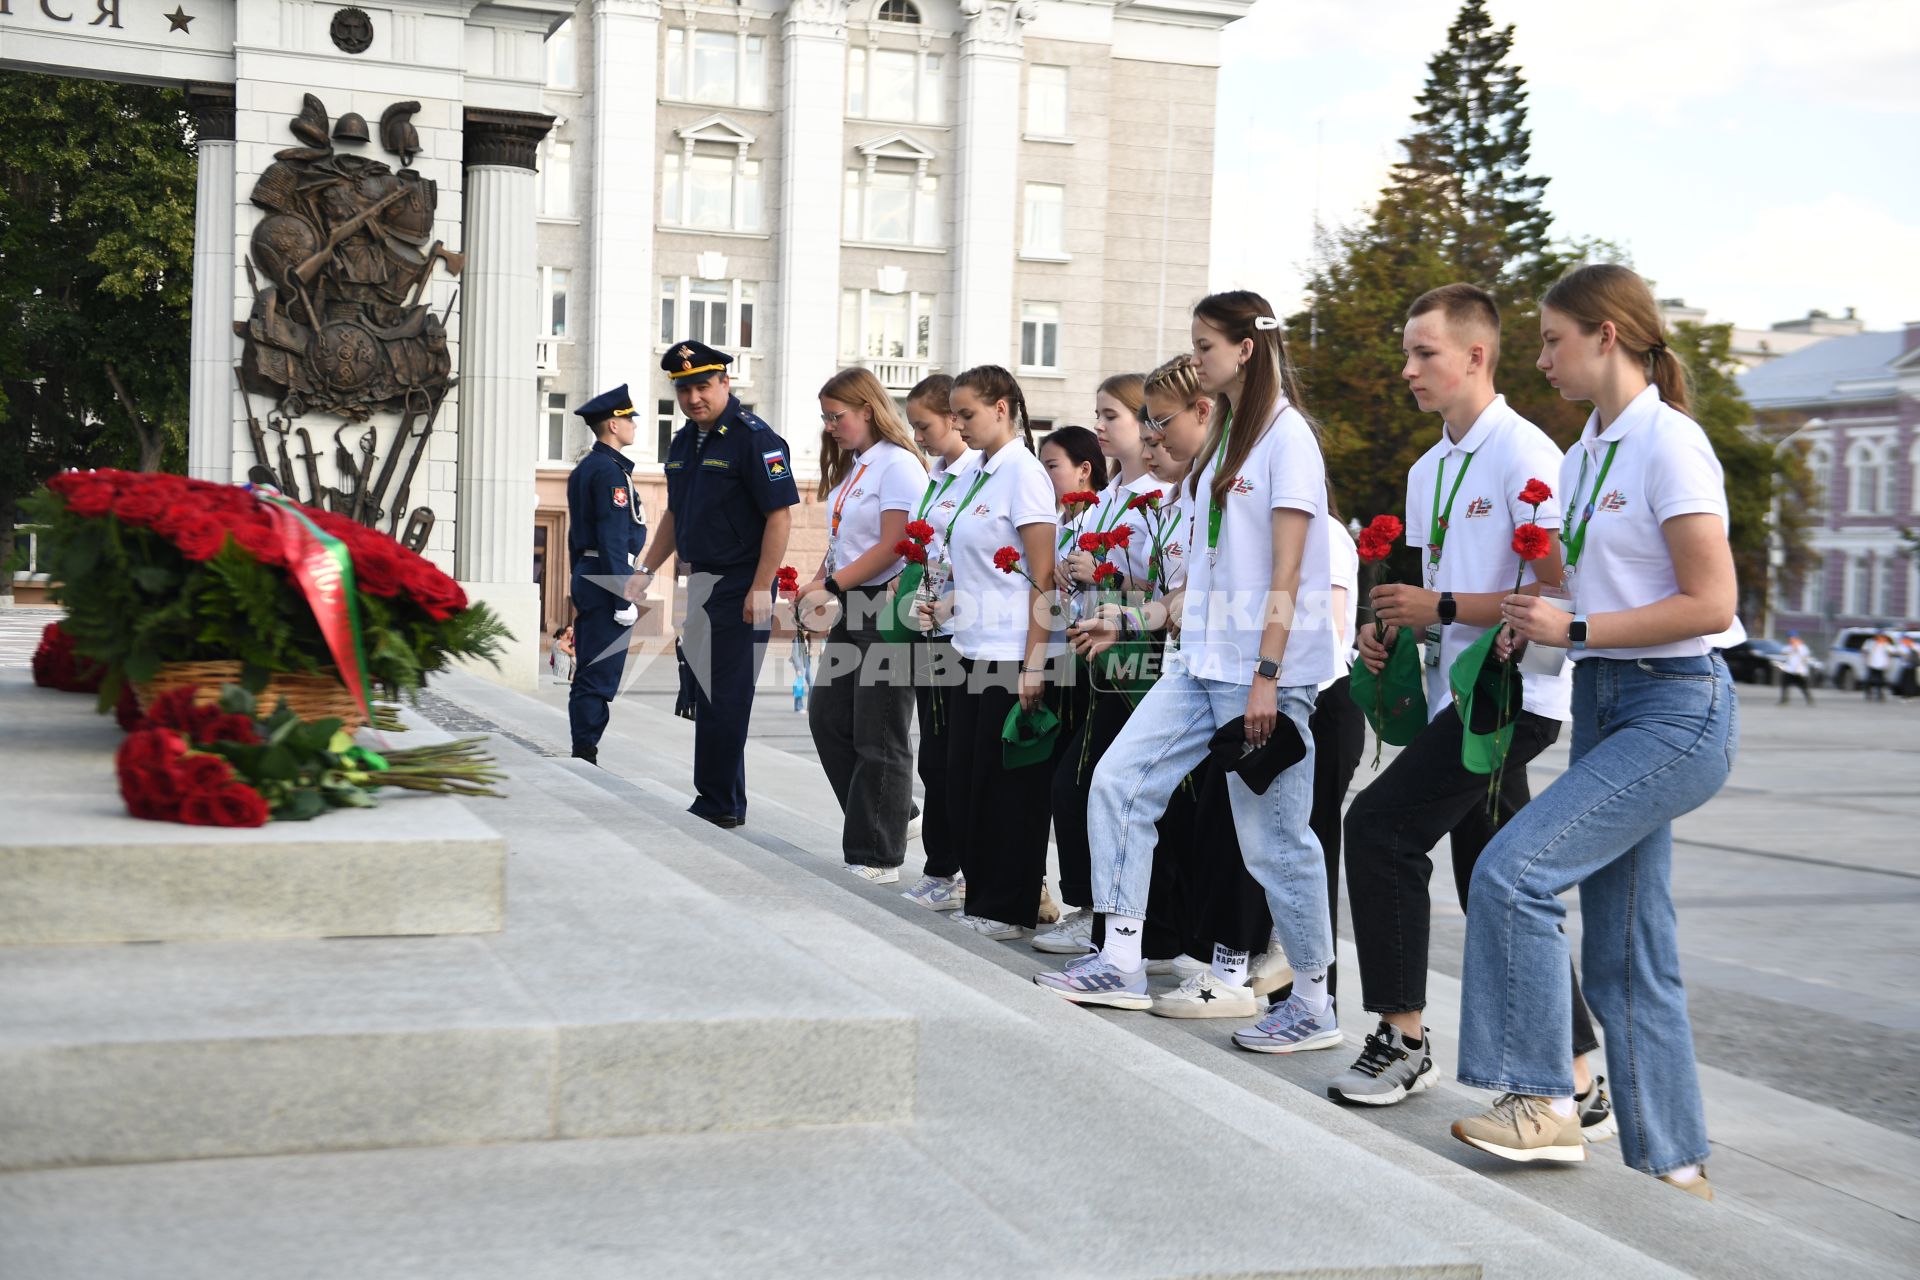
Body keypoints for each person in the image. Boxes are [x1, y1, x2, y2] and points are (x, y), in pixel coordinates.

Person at [1451, 264, 1741, 1201]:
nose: (1540, 360)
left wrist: (1569, 628)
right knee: (1628, 956)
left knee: (1512, 872)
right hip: (1612, 705)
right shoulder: (1585, 454)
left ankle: (1543, 1100)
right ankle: (1677, 1167)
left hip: (1678, 707)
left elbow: (1710, 602)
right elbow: (1595, 590)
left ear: (1607, 336)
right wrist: (1541, 606)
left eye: (1552, 341)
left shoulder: (1672, 443)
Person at [1330, 284, 1610, 1135]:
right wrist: (1394, 635)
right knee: (1499, 879)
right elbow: (1427, 593)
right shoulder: (1428, 469)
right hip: (1461, 691)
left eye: (1425, 353)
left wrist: (1443, 609)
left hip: (1515, 697)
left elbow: (1559, 589)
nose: (1409, 369)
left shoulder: (1529, 455)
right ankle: (1582, 1081)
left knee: (1378, 828)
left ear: (1476, 357)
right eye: (1408, 353)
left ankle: (1403, 1038)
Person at [1035, 291, 1342, 1056]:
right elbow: (1206, 573)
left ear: (1245, 349)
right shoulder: (1227, 437)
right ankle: (1121, 961)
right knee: (1118, 783)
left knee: (1274, 842)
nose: (1195, 357)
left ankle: (1314, 1001)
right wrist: (1130, 619)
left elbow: (1288, 566)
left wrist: (1269, 677)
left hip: (1257, 673)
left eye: (1205, 345)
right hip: (1199, 662)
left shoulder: (1285, 437)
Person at [920, 365, 1062, 940]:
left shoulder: (1023, 475)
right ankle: (983, 895)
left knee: (1009, 790)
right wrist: (946, 606)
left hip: (1011, 652)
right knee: (964, 781)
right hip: (968, 647)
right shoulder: (976, 472)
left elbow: (1043, 577)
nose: (958, 424)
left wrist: (1034, 662)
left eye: (967, 414)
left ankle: (1010, 904)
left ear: (1002, 408)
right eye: (954, 414)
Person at [633, 341, 799, 828]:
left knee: (726, 696)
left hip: (742, 584)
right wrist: (645, 571)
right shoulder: (684, 441)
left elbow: (780, 518)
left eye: (702, 386)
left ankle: (716, 804)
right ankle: (724, 801)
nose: (693, 398)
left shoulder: (755, 440)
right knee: (708, 694)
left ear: (726, 383)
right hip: (702, 582)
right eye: (683, 389)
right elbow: (676, 515)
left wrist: (760, 587)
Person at [1039, 375, 1166, 959]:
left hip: (1136, 665)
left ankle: (1105, 914)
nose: (1099, 426)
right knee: (1075, 783)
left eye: (1110, 415)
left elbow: (1169, 588)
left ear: (1144, 425)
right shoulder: (1109, 495)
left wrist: (1109, 579)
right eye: (1097, 415)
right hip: (1090, 659)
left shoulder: (1160, 497)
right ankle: (1093, 911)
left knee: (1084, 783)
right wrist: (1071, 571)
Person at [798, 367, 928, 883]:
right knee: (828, 719)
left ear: (869, 410)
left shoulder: (897, 465)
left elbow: (893, 546)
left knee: (879, 731)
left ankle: (876, 855)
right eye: (826, 417)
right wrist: (815, 584)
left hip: (888, 606)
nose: (831, 425)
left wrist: (831, 587)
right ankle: (898, 813)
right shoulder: (859, 466)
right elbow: (843, 542)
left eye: (838, 415)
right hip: (854, 603)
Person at [899, 374, 979, 913]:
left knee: (958, 761)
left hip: (964, 633)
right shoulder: (938, 475)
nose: (920, 436)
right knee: (934, 756)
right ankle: (941, 868)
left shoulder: (978, 475)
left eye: (925, 425)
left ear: (955, 418)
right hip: (931, 629)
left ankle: (967, 870)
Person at [564, 384, 648, 765]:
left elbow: (573, 538)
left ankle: (584, 745)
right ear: (613, 424)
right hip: (606, 575)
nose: (633, 425)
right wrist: (621, 596)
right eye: (629, 419)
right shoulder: (610, 473)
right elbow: (613, 537)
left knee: (591, 666)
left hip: (589, 571)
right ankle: (586, 751)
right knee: (599, 672)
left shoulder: (586, 468)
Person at [1778, 632, 1814, 705]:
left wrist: (1797, 647)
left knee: (1804, 687)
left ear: (1796, 638)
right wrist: (1792, 649)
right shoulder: (1788, 647)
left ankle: (1810, 700)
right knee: (1785, 685)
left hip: (1800, 671)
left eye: (1792, 638)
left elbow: (1805, 656)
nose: (1791, 640)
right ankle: (1784, 701)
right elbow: (1782, 652)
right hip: (1789, 670)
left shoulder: (1803, 647)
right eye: (1789, 638)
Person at [1862, 631, 1894, 702]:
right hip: (1872, 664)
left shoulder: (1886, 644)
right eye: (1879, 637)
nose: (1880, 638)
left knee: (1880, 680)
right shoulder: (1870, 643)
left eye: (1882, 637)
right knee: (1869, 679)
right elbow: (1864, 650)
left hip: (1881, 665)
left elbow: (1892, 651)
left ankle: (1880, 694)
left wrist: (1884, 644)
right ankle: (1868, 693)